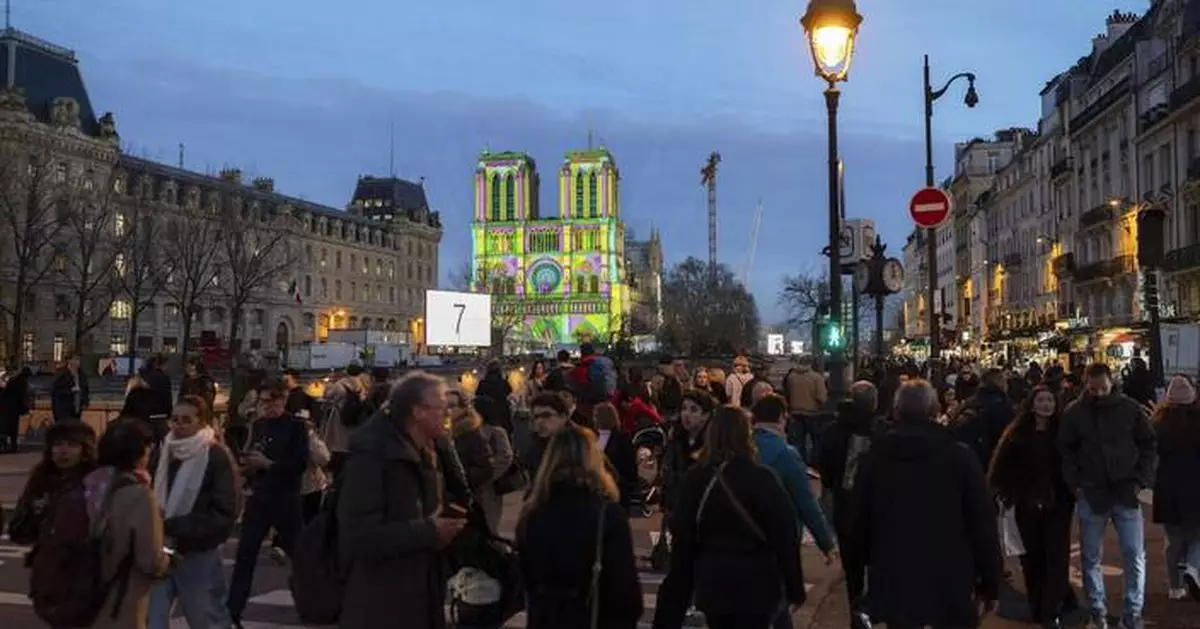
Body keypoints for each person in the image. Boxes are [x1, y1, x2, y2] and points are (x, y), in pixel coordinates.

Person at [850, 379, 1000, 629]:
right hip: (950, 576)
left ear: (896, 411)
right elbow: (982, 522)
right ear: (933, 411)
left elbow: (859, 524)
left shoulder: (874, 458)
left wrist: (861, 579)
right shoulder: (959, 456)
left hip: (894, 575)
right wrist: (990, 581)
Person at [653, 406, 806, 629]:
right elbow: (785, 535)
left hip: (715, 582)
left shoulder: (696, 479)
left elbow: (683, 541)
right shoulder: (762, 478)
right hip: (758, 582)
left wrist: (673, 603)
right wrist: (794, 587)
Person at [337, 372, 469, 629]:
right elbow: (360, 534)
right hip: (382, 602)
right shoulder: (373, 456)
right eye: (442, 408)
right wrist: (430, 532)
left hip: (419, 591)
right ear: (418, 412)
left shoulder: (428, 451)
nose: (448, 414)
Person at [1059, 363, 1158, 629]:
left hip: (1124, 489)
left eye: (1103, 388)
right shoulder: (1075, 413)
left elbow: (1148, 443)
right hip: (1093, 491)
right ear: (1086, 385)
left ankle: (1132, 612)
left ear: (1111, 383)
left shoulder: (1129, 408)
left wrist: (1140, 480)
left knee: (1134, 554)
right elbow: (1065, 450)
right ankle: (1099, 611)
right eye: (1093, 389)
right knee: (1092, 556)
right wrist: (1076, 484)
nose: (1099, 394)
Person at [516, 423, 643, 628]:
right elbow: (625, 591)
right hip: (594, 617)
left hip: (546, 618)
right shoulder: (607, 514)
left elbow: (526, 577)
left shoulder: (532, 513)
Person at [148, 395, 240, 629]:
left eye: (186, 420)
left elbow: (225, 510)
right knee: (152, 619)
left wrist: (176, 526)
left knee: (206, 618)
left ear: (202, 422)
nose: (178, 425)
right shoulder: (163, 451)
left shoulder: (216, 455)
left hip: (198, 551)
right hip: (161, 548)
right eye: (175, 419)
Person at [989, 385, 1076, 629]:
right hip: (1025, 504)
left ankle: (1051, 609)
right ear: (1032, 403)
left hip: (1058, 504)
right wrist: (1005, 494)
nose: (1046, 404)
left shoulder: (1063, 433)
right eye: (1041, 400)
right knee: (1032, 557)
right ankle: (1039, 606)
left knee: (1056, 557)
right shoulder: (1017, 433)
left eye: (1050, 400)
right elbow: (1000, 468)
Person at [226, 378, 310, 628]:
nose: (266, 406)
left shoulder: (296, 427)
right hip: (260, 496)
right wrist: (247, 466)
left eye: (272, 400)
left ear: (283, 399)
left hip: (286, 498)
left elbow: (300, 464)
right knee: (245, 555)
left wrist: (269, 465)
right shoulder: (258, 425)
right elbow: (253, 452)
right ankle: (233, 611)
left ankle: (312, 604)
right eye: (263, 401)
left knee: (300, 556)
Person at [750, 393, 836, 629]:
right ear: (782, 418)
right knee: (777, 605)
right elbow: (806, 502)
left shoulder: (743, 448)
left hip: (742, 536)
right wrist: (826, 543)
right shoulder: (786, 454)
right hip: (778, 538)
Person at [87, 420, 173, 629]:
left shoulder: (89, 483)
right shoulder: (139, 495)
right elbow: (150, 559)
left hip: (83, 589)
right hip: (121, 595)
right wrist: (168, 560)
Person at [1149, 374, 1200, 601]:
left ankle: (1175, 586)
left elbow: (1151, 456)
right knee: (1197, 537)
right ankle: (1193, 567)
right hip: (1196, 486)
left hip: (1168, 488)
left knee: (1174, 541)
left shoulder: (1159, 422)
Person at [7, 422, 96, 543]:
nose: (63, 451)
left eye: (72, 445)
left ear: (85, 449)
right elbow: (18, 529)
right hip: (48, 554)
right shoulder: (42, 476)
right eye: (58, 444)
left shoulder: (95, 479)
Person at [595, 402, 638, 511]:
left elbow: (630, 464)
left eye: (597, 415)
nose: (594, 418)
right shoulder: (592, 436)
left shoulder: (622, 437)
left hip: (618, 488)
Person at [0, 366, 32, 452]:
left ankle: (6, 445)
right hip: (13, 408)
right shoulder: (21, 382)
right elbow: (22, 396)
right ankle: (12, 446)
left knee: (4, 427)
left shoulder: (13, 380)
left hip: (5, 407)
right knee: (12, 428)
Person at [50, 353, 89, 422]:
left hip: (76, 409)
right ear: (69, 360)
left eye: (79, 360)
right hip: (63, 410)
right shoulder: (61, 373)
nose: (78, 362)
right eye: (76, 359)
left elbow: (85, 388)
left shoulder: (81, 374)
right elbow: (55, 391)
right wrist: (71, 390)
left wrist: (85, 401)